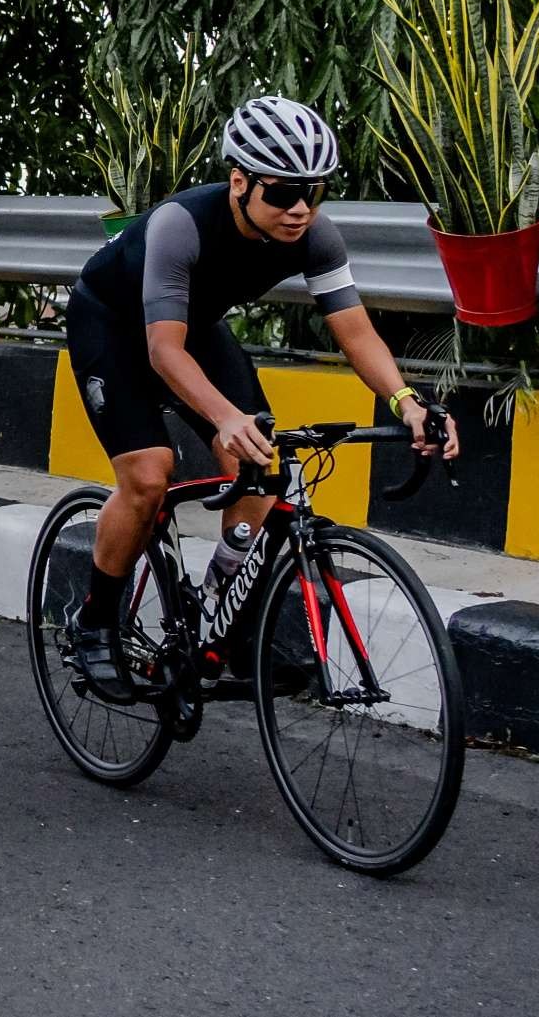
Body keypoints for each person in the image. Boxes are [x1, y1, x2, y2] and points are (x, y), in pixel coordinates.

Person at [63, 96, 458, 702]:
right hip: (113, 327)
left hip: (196, 330)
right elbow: (164, 353)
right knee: (149, 475)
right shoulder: (181, 225)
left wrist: (406, 400)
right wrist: (224, 417)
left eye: (314, 192)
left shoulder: (314, 236)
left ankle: (227, 621)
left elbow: (354, 331)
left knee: (259, 468)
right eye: (281, 194)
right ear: (239, 181)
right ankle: (95, 623)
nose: (299, 209)